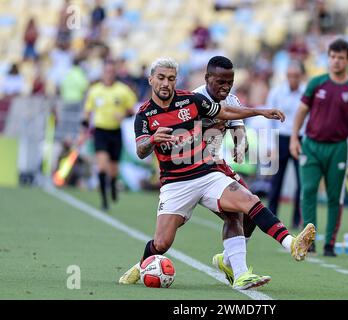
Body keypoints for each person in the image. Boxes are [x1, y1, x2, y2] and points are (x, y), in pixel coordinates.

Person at [119, 58, 316, 289]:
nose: (166, 83)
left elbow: (226, 111)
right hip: (175, 184)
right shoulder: (144, 114)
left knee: (248, 202)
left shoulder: (191, 100)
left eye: (171, 78)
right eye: (161, 78)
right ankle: (143, 265)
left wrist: (260, 112)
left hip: (208, 172)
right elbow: (141, 150)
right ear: (151, 79)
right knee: (161, 243)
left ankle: (288, 244)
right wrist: (152, 140)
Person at [289, 39, 348, 257]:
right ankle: (308, 241)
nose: (336, 61)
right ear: (328, 58)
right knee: (309, 191)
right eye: (332, 56)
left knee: (335, 196)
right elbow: (301, 111)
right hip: (311, 145)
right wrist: (294, 137)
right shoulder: (317, 83)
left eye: (340, 57)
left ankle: (330, 244)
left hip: (338, 148)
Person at [193, 56, 265, 287]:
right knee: (163, 240)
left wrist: (241, 145)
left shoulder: (231, 100)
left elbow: (238, 130)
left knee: (250, 212)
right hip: (190, 173)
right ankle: (144, 264)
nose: (226, 86)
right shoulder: (193, 100)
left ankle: (229, 261)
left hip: (215, 169)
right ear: (207, 79)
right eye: (220, 81)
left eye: (230, 81)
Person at [81, 60, 137, 211]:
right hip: (100, 131)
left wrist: (124, 115)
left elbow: (132, 110)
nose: (109, 75)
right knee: (102, 166)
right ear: (102, 73)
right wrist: (83, 131)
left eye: (112, 72)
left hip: (115, 132)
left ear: (115, 73)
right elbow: (87, 112)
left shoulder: (123, 90)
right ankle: (104, 200)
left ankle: (112, 183)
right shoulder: (95, 91)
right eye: (106, 72)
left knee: (113, 169)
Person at [266, 61, 307, 228]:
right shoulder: (277, 92)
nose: (293, 79)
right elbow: (269, 119)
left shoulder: (305, 93)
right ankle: (271, 218)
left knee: (301, 181)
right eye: (290, 76)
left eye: (296, 76)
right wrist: (271, 145)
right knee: (277, 181)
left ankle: (297, 220)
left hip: (300, 138)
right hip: (281, 138)